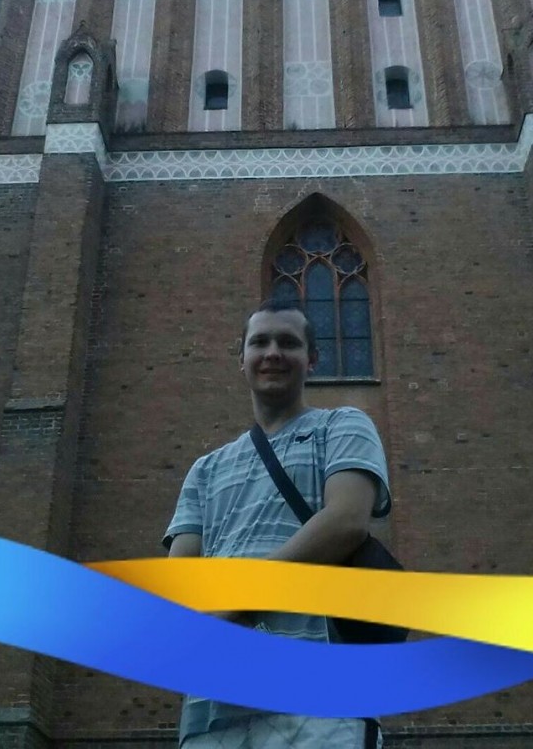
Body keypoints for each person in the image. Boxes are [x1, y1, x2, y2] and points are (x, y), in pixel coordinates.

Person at [164, 298, 392, 749]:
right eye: (260, 342)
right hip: (214, 704)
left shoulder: (343, 426)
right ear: (241, 359)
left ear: (312, 359)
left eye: (288, 342)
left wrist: (240, 598)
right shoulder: (205, 470)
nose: (272, 353)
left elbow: (346, 522)